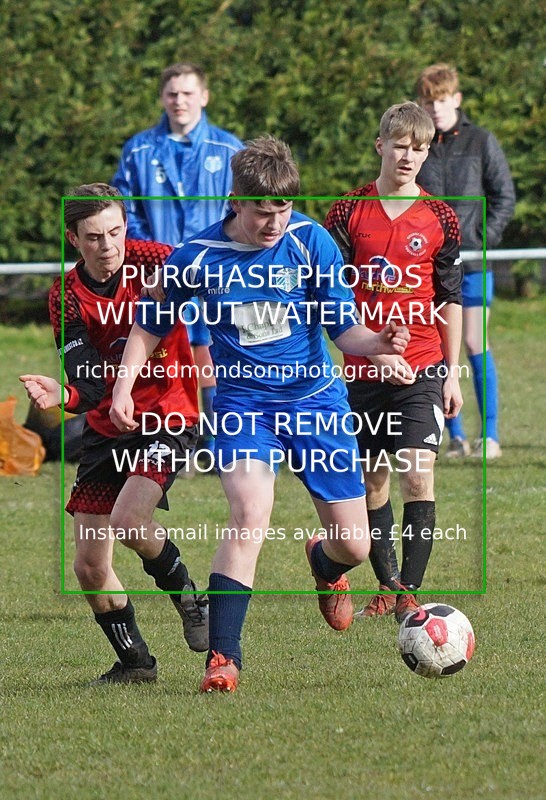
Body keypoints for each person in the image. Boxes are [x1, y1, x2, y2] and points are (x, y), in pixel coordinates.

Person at [109, 136, 411, 693]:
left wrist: (381, 344)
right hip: (244, 408)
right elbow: (149, 327)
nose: (273, 224)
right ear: (234, 201)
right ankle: (224, 659)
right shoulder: (196, 257)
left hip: (315, 400)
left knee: (355, 545)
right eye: (261, 212)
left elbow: (343, 329)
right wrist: (123, 388)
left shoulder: (311, 242)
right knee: (249, 513)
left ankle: (324, 565)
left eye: (283, 210)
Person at [19, 183, 208, 685]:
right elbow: (87, 377)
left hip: (169, 413)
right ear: (73, 240)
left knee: (130, 520)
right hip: (108, 422)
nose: (109, 247)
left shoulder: (154, 258)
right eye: (95, 238)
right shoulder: (65, 296)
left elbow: (211, 271)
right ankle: (136, 663)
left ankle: (190, 598)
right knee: (87, 565)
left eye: (115, 233)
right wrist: (66, 397)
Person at [325, 102, 463, 620]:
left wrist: (451, 373)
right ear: (380, 145)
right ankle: (386, 585)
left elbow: (449, 300)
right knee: (371, 481)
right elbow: (329, 295)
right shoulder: (346, 212)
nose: (409, 156)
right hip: (363, 368)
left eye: (419, 148)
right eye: (400, 145)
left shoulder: (440, 218)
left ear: (428, 152)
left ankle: (408, 593)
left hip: (422, 364)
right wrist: (366, 351)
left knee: (416, 474)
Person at [112, 62, 244, 455]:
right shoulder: (138, 149)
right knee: (163, 356)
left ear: (204, 97)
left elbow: (242, 211)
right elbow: (124, 213)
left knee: (220, 355)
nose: (179, 101)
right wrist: (156, 256)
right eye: (172, 93)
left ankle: (224, 445)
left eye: (188, 93)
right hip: (159, 276)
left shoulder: (229, 148)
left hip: (217, 272)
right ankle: (169, 441)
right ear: (162, 98)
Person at [416, 63, 515, 460]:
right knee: (438, 347)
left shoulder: (481, 141)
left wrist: (481, 240)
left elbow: (504, 196)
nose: (435, 108)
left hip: (473, 265)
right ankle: (452, 435)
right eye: (428, 101)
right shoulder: (418, 144)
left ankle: (489, 436)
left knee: (474, 342)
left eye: (441, 100)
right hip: (428, 265)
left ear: (455, 100)